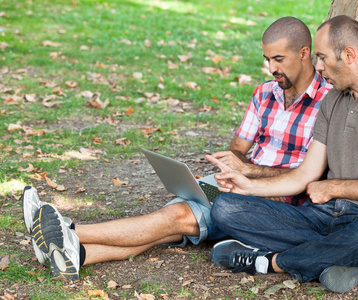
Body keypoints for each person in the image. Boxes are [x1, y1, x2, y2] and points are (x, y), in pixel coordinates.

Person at [21, 17, 332, 281]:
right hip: (241, 186)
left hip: (277, 203)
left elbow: (310, 175)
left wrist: (252, 173)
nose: (270, 69)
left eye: (278, 60)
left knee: (177, 218)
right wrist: (230, 165)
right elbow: (238, 148)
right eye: (267, 60)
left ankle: (63, 230)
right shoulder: (265, 94)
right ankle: (77, 255)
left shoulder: (328, 102)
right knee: (172, 223)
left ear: (304, 53)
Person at [206, 15, 358, 294]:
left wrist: (334, 186)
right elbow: (305, 174)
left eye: (322, 58)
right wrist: (250, 186)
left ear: (348, 55)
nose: (318, 67)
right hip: (322, 216)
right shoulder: (333, 100)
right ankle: (338, 258)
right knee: (225, 207)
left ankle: (270, 262)